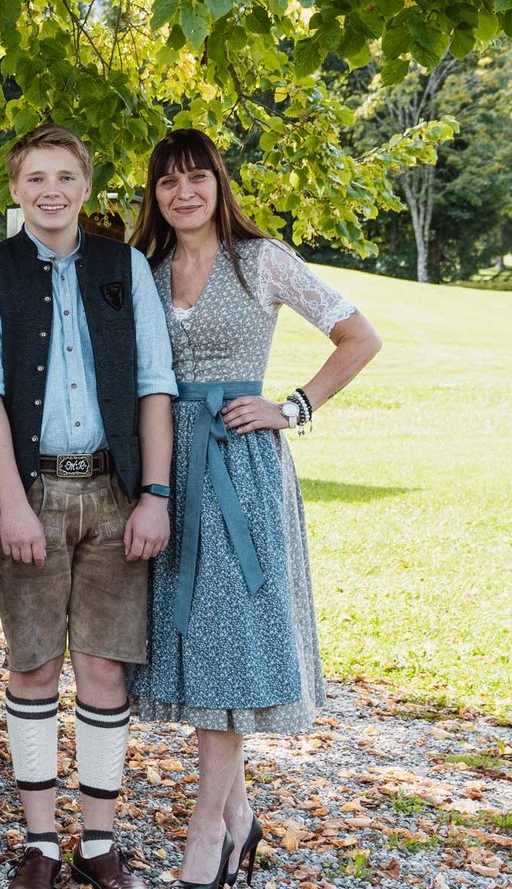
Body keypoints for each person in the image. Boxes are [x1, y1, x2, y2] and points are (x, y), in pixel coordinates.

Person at [126, 128, 381, 889]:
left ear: (219, 183)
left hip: (242, 475)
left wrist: (294, 406)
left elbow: (358, 336)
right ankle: (237, 819)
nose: (184, 193)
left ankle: (208, 831)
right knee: (200, 645)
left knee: (228, 642)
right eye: (168, 182)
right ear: (155, 194)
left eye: (197, 178)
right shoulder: (147, 269)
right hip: (171, 470)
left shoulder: (260, 260)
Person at [0, 124, 175, 889]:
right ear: (15, 190)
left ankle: (100, 840)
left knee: (104, 668)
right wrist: (9, 500)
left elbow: (155, 384)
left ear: (86, 186)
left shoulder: (126, 267)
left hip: (117, 492)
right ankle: (42, 841)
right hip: (34, 491)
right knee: (35, 667)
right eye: (35, 178)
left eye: (65, 177)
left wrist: (154, 493)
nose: (51, 191)